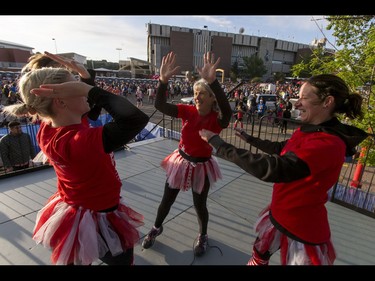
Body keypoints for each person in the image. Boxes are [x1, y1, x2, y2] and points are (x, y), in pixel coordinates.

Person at [199, 74, 368, 265]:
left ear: (327, 102)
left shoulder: (328, 143)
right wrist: (250, 139)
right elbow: (283, 149)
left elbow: (275, 169)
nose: (296, 104)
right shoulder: (312, 129)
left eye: (304, 98)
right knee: (260, 253)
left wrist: (219, 144)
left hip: (301, 228)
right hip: (282, 213)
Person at [2, 66, 149, 265]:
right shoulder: (77, 141)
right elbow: (135, 119)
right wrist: (88, 90)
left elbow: (86, 110)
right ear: (60, 101)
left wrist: (86, 78)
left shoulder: (51, 128)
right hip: (102, 215)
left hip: (76, 210)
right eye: (75, 86)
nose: (81, 90)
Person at [141, 51, 232, 257]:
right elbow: (160, 105)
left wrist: (214, 82)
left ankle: (203, 235)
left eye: (202, 93)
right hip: (181, 161)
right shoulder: (186, 111)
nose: (197, 97)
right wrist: (163, 81)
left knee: (200, 205)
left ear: (211, 97)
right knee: (167, 200)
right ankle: (156, 227)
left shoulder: (217, 120)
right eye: (195, 92)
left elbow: (228, 113)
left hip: (202, 165)